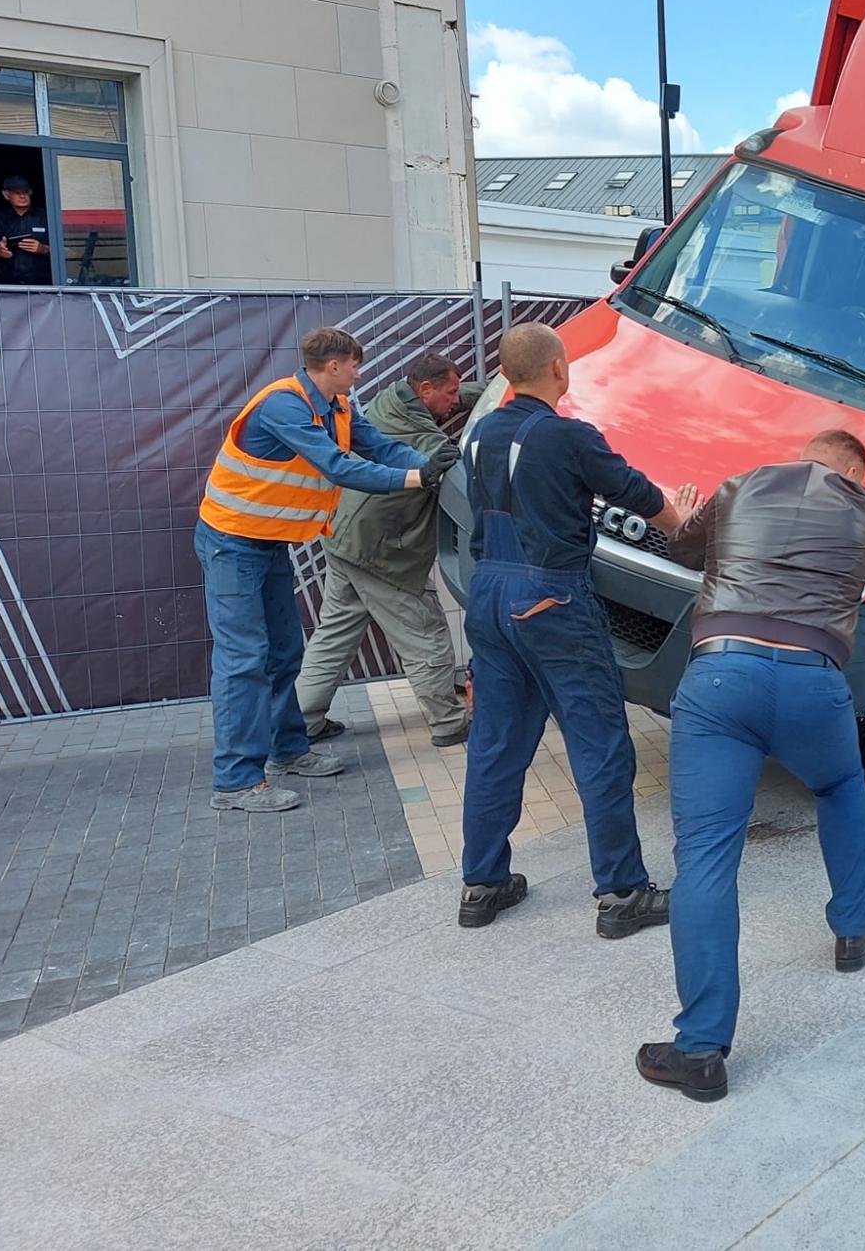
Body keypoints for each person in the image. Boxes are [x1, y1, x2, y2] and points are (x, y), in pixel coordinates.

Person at [636, 430, 865, 1103]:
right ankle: (854, 928)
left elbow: (680, 544)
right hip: (813, 681)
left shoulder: (741, 486)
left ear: (804, 456)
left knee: (705, 858)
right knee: (839, 785)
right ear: (856, 473)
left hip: (720, 678)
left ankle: (701, 1050)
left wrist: (682, 510)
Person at [456, 322, 698, 937]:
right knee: (598, 744)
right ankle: (622, 896)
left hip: (489, 594)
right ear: (560, 369)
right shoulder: (569, 438)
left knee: (496, 744)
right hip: (552, 598)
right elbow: (637, 492)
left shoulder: (480, 431)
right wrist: (683, 525)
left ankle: (482, 886)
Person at [195, 328, 429, 813]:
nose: (360, 374)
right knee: (244, 658)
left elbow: (380, 447)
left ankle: (287, 750)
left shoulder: (338, 408)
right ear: (335, 365)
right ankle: (235, 782)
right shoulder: (284, 405)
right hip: (231, 542)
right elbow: (338, 467)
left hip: (267, 540)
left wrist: (432, 462)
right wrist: (416, 478)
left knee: (283, 649)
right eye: (355, 365)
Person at [294, 352, 481, 747]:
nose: (454, 402)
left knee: (335, 634)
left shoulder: (395, 399)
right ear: (425, 389)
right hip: (379, 552)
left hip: (345, 536)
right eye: (448, 394)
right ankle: (448, 723)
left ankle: (301, 722)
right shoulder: (423, 439)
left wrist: (509, 389)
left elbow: (459, 394)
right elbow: (451, 474)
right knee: (424, 631)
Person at [0, 175, 50, 286]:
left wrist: (44, 249)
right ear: (6, 195)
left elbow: (66, 251)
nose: (22, 196)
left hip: (44, 286)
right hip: (9, 287)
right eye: (17, 193)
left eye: (26, 192)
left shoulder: (46, 216)